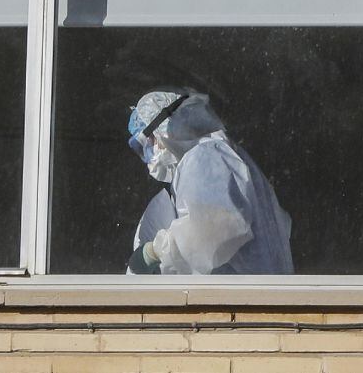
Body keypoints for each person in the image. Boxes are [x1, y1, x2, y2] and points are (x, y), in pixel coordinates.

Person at [125, 89, 294, 275]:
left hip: (241, 299)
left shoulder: (205, 157)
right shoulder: (221, 154)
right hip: (260, 295)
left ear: (163, 129)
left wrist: (155, 252)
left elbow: (215, 229)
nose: (148, 155)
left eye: (146, 144)